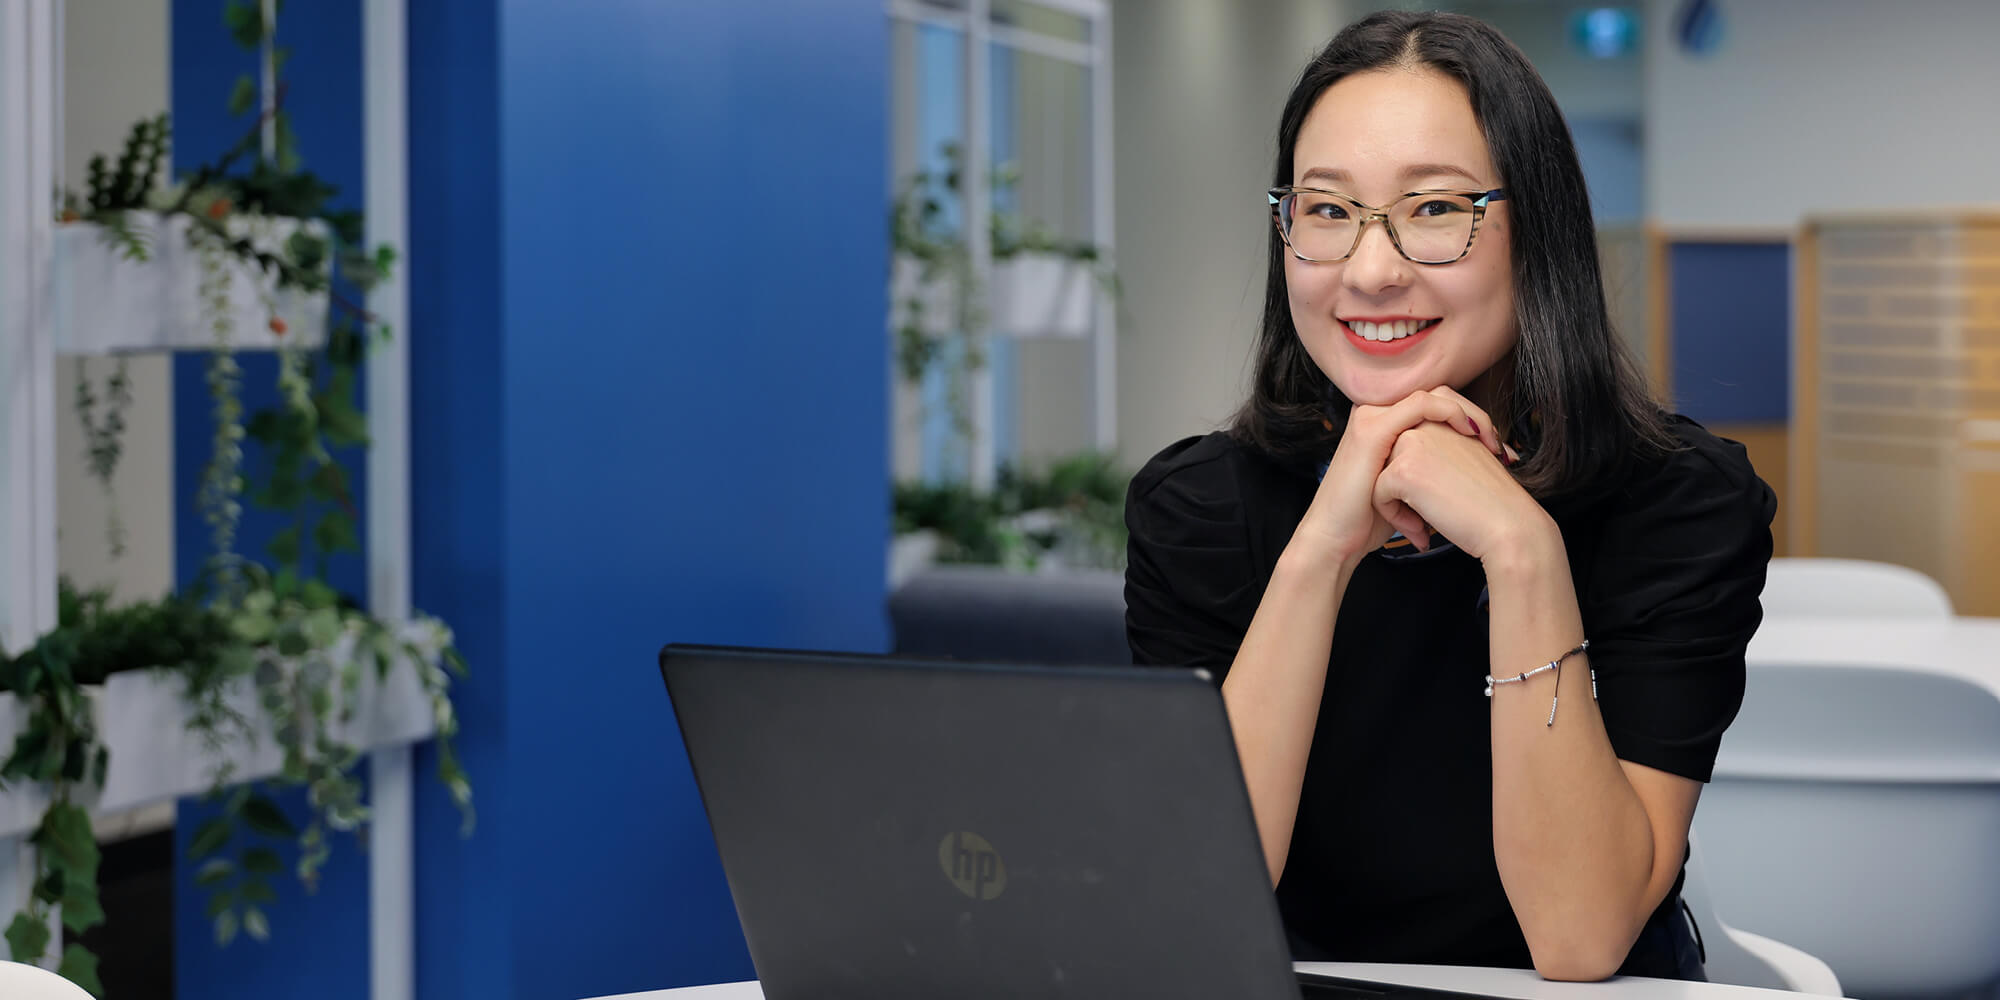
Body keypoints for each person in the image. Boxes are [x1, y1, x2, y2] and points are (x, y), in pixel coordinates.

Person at [1122, 10, 1775, 983]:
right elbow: (1188, 907)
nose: (1369, 269)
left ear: (1535, 232)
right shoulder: (1197, 505)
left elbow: (1578, 934)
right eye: (1326, 210)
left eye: (1433, 208)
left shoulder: (1679, 503)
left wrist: (1520, 551)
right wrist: (1320, 549)